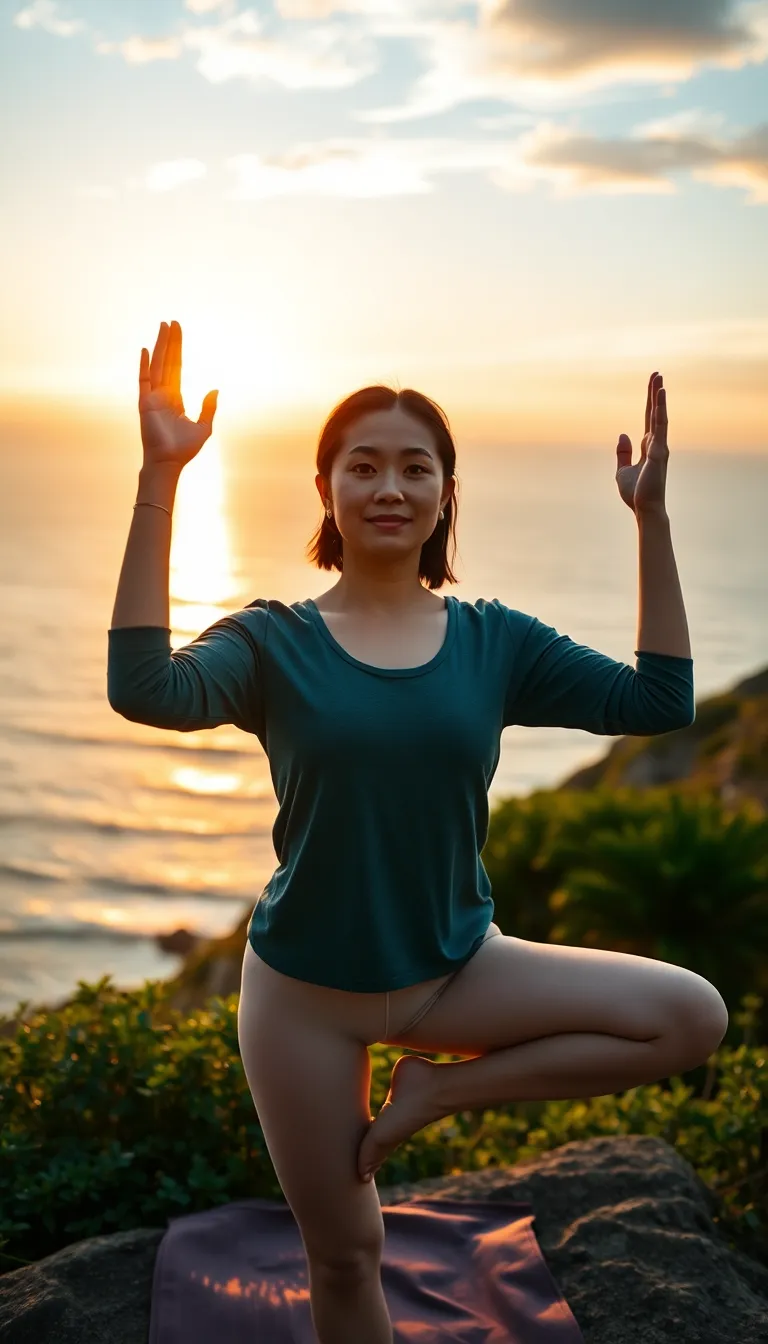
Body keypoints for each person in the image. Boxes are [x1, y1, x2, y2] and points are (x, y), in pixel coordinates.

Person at [108, 319, 729, 1344]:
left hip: (454, 971)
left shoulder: (495, 642)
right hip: (305, 997)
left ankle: (437, 1093)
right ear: (327, 492)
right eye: (364, 467)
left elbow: (658, 702)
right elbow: (144, 689)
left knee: (690, 1016)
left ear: (445, 492)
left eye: (415, 467)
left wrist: (650, 519)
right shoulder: (272, 641)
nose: (389, 487)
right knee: (346, 1254)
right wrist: (160, 476)